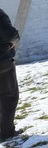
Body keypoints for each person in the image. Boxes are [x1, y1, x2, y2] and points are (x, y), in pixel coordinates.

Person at [0, 9, 21, 141]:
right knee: (9, 97)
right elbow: (10, 35)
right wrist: (14, 40)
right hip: (2, 62)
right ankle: (6, 132)